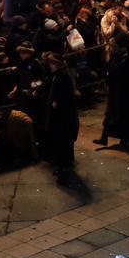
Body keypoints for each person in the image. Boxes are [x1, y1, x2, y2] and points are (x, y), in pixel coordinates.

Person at [40, 51, 80, 187]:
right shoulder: (58, 75)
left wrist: (57, 103)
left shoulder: (63, 76)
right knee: (60, 142)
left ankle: (65, 166)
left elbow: (67, 97)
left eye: (51, 63)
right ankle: (62, 165)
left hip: (63, 117)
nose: (50, 66)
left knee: (64, 142)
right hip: (59, 116)